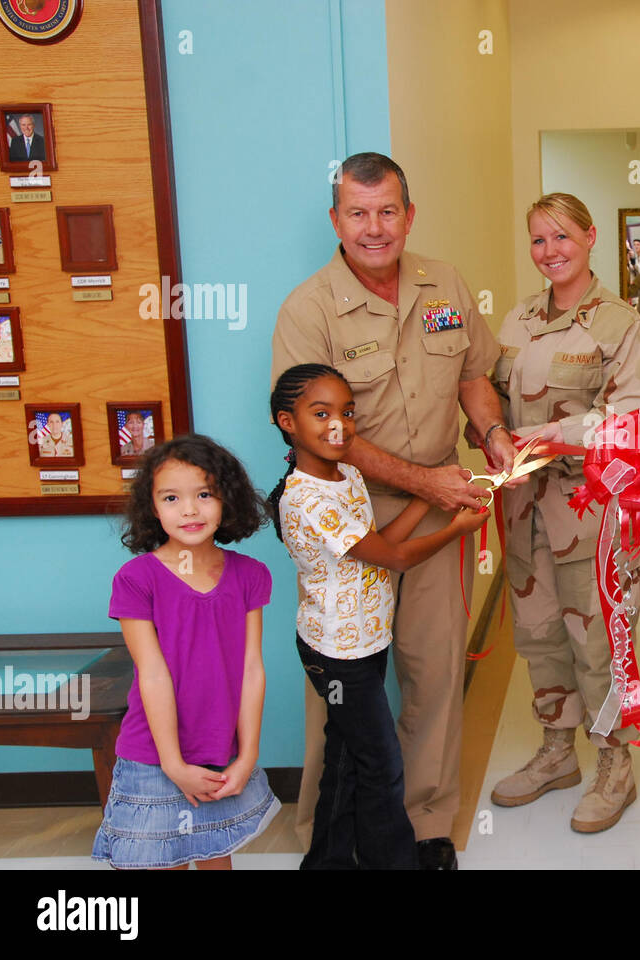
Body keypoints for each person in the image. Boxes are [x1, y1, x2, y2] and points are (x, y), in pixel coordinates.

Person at [271, 151, 513, 870]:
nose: (374, 228)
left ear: (408, 215)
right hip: (348, 516)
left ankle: (425, 824)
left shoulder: (445, 285)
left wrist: (492, 432)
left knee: (434, 669)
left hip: (441, 505)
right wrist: (426, 482)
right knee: (344, 682)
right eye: (357, 213)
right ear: (336, 220)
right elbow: (324, 431)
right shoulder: (308, 309)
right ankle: (330, 829)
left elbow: (474, 374)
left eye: (387, 212)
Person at [268, 363, 488, 869]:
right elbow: (398, 559)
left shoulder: (346, 475)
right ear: (287, 422)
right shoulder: (307, 498)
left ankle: (326, 862)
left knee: (345, 759)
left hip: (366, 642)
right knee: (382, 764)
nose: (338, 424)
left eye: (347, 412)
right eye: (320, 413)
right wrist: (458, 528)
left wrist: (425, 495)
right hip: (338, 654)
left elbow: (380, 544)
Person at [487, 193, 640, 832]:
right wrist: (496, 435)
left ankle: (615, 763)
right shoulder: (517, 320)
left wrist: (555, 432)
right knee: (540, 637)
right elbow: (494, 400)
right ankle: (558, 751)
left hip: (592, 512)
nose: (550, 251)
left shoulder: (618, 323)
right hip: (525, 508)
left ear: (589, 237)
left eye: (561, 237)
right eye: (537, 240)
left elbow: (633, 414)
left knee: (599, 643)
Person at [92, 435, 278, 869]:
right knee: (163, 861)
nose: (190, 509)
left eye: (205, 494)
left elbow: (252, 669)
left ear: (227, 500)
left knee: (216, 859)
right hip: (154, 755)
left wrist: (248, 753)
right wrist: (173, 764)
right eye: (172, 497)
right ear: (153, 508)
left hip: (221, 751)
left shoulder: (250, 575)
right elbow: (152, 675)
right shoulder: (137, 579)